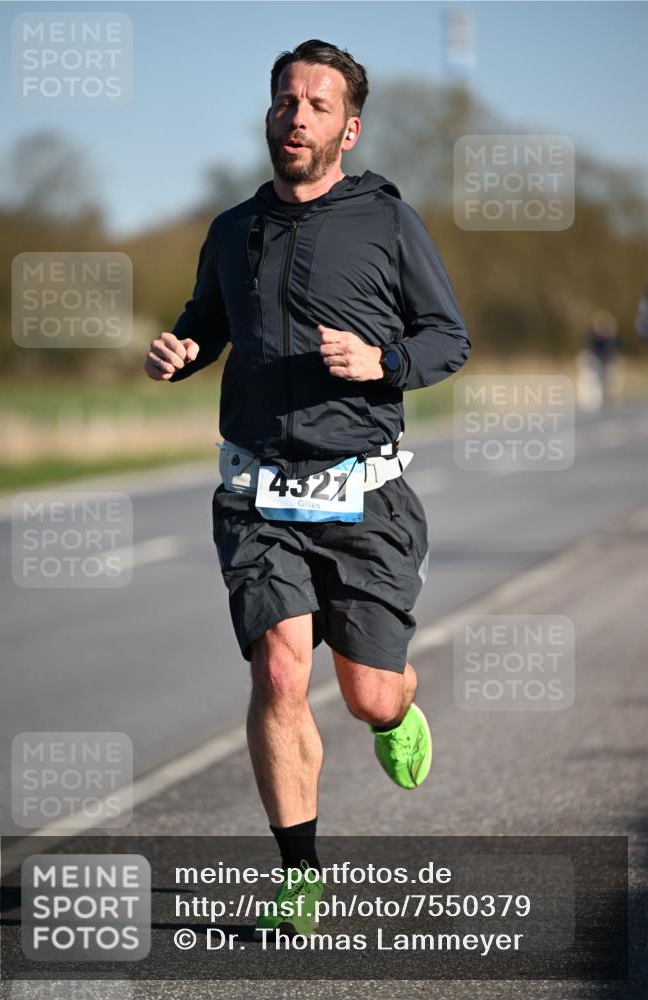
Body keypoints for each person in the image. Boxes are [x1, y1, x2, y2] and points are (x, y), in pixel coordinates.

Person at [144, 39, 470, 937]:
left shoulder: (388, 223)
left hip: (365, 495)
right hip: (258, 493)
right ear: (269, 116)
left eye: (317, 106)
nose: (297, 117)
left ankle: (393, 705)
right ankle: (298, 871)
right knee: (281, 669)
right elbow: (205, 322)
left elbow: (449, 338)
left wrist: (383, 361)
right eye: (286, 101)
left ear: (347, 128)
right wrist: (181, 351)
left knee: (366, 693)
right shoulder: (230, 231)